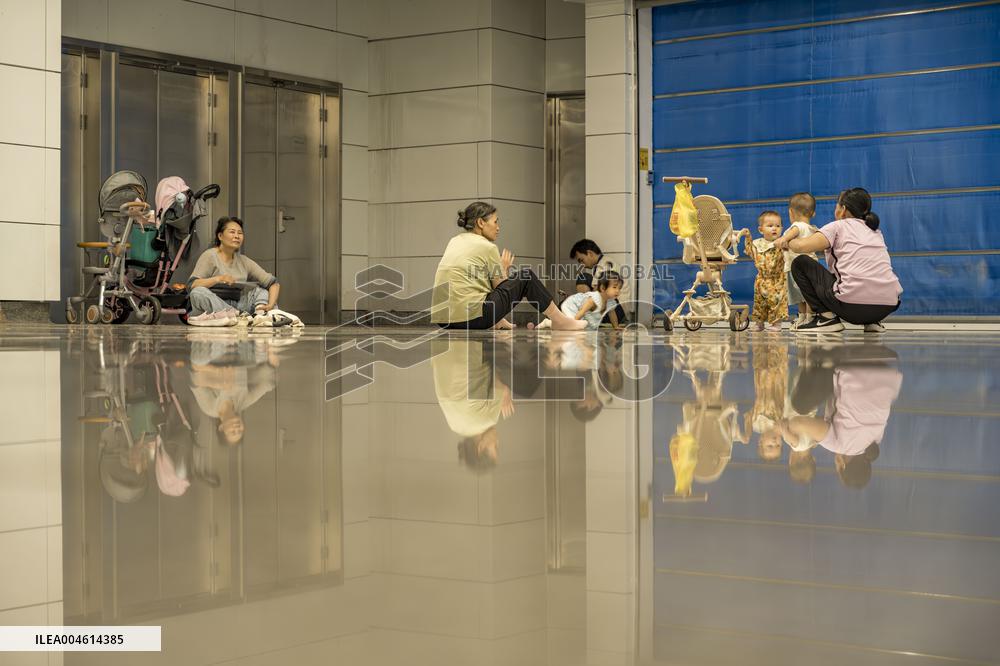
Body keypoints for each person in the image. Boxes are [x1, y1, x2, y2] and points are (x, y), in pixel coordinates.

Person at [431, 202, 586, 330]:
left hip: (444, 320)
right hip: (474, 318)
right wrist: (503, 268)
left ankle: (496, 321)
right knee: (526, 277)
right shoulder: (487, 247)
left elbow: (475, 287)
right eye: (495, 222)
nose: (498, 227)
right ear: (480, 223)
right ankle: (560, 320)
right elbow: (501, 289)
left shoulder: (454, 241)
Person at [784, 188, 902, 333]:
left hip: (852, 307)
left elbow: (801, 247)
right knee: (860, 272)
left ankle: (826, 319)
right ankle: (872, 322)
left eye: (837, 205)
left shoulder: (837, 227)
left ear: (843, 209)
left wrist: (785, 241)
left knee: (800, 262)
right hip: (887, 305)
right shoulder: (875, 231)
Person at [186, 216, 282, 326]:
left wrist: (270, 305)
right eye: (232, 232)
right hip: (213, 306)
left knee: (263, 292)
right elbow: (192, 285)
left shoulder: (244, 261)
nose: (237, 236)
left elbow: (273, 283)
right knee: (197, 293)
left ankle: (260, 315)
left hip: (238, 305)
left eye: (240, 233)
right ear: (220, 236)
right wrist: (218, 279)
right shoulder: (210, 256)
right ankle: (238, 316)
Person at [776, 192, 820, 329]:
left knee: (800, 296)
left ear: (791, 212)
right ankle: (805, 317)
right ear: (813, 214)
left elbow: (791, 235)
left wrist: (783, 239)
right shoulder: (813, 229)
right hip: (807, 266)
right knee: (804, 295)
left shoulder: (797, 226)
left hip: (797, 269)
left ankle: (807, 318)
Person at [742, 211, 788, 332]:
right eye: (770, 225)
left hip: (777, 279)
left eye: (778, 226)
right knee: (759, 302)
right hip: (761, 279)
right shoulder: (758, 244)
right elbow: (750, 251)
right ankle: (759, 323)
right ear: (761, 229)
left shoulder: (781, 243)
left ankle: (776, 323)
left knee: (776, 301)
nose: (774, 228)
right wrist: (747, 237)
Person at [534, 271, 623, 330]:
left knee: (570, 325)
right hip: (572, 305)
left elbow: (612, 314)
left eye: (619, 288)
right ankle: (548, 322)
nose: (617, 291)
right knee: (570, 325)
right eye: (614, 287)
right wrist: (574, 322)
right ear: (603, 288)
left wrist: (616, 326)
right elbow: (582, 311)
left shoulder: (611, 301)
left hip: (579, 310)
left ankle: (550, 323)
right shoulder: (594, 299)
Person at [570, 238, 629, 326]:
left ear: (589, 253)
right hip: (617, 309)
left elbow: (596, 294)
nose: (582, 264)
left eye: (581, 260)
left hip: (617, 311)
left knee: (583, 277)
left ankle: (585, 317)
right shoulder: (603, 263)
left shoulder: (605, 265)